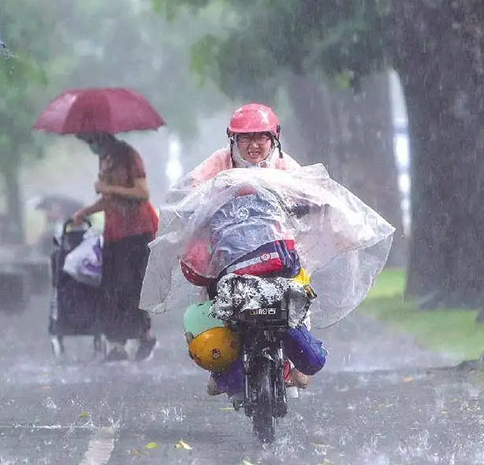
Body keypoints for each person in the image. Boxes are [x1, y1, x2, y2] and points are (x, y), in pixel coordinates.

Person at [176, 103, 325, 397]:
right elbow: (192, 189)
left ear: (274, 139)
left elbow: (309, 189)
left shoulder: (283, 164)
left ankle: (297, 362)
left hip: (277, 250)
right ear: (233, 140)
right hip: (229, 252)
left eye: (262, 137)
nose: (254, 145)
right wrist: (197, 203)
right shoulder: (219, 162)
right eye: (246, 138)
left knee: (298, 289)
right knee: (215, 295)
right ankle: (221, 368)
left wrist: (309, 201)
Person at [72, 133, 159, 362]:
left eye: (93, 139)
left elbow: (142, 193)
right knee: (110, 289)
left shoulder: (129, 156)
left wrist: (107, 187)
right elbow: (109, 199)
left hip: (138, 231)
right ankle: (118, 344)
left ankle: (145, 335)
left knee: (132, 287)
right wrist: (86, 211)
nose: (91, 145)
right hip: (114, 231)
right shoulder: (106, 159)